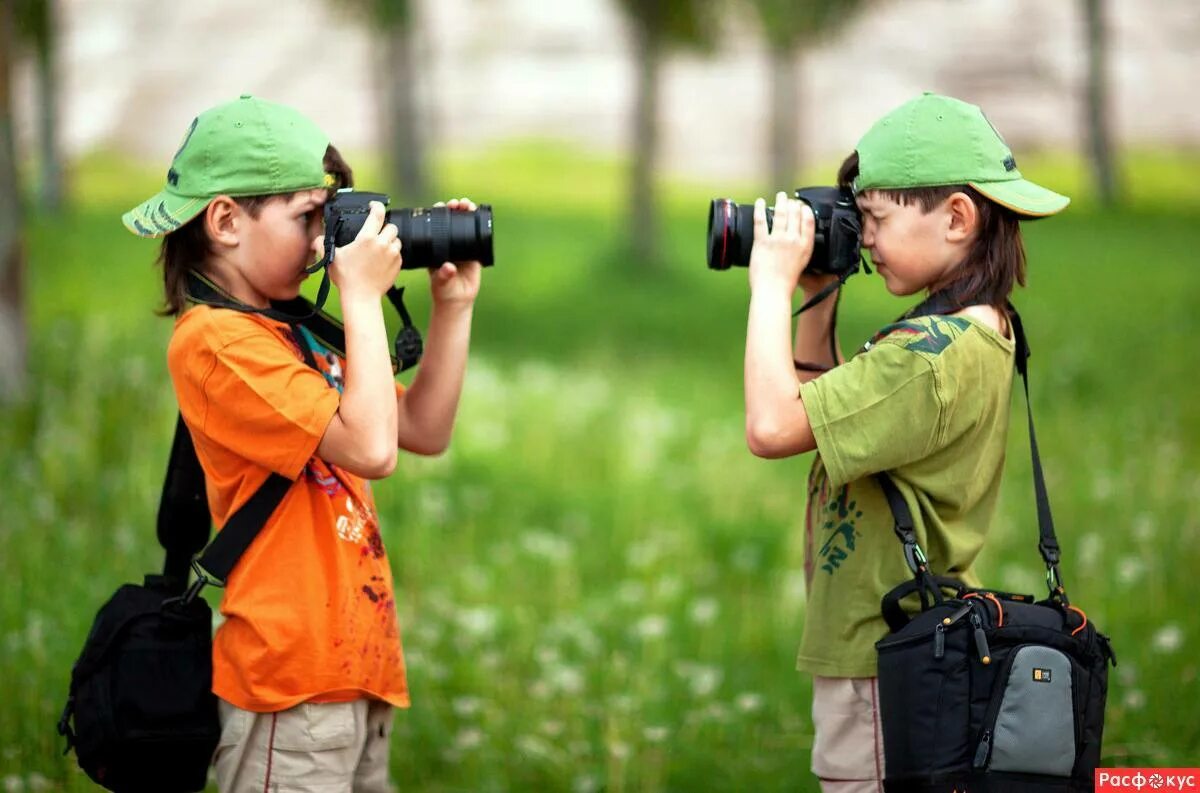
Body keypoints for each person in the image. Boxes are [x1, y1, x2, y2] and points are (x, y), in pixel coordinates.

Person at [122, 94, 482, 792]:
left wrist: (453, 307)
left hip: (354, 669)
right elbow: (373, 447)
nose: (326, 243)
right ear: (226, 219)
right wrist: (360, 294)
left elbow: (422, 432)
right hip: (287, 686)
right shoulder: (216, 343)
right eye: (309, 218)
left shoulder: (295, 332)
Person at [741, 92, 1069, 792]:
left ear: (956, 217)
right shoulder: (975, 328)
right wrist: (820, 293)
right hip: (906, 642)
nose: (862, 239)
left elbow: (772, 427)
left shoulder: (928, 353)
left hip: (884, 660)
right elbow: (822, 415)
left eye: (875, 220)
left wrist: (769, 285)